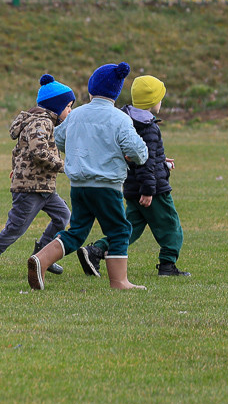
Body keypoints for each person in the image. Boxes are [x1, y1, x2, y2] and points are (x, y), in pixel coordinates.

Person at [28, 62, 149, 291]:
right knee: (120, 230)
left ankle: (41, 260)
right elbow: (137, 151)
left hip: (79, 185)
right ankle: (119, 282)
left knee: (76, 231)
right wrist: (135, 157)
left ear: (91, 89)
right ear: (116, 91)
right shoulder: (120, 119)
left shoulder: (77, 115)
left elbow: (59, 139)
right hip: (106, 186)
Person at [78, 75, 189, 278]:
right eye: (160, 99)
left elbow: (139, 156)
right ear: (153, 102)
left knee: (128, 228)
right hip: (153, 190)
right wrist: (149, 190)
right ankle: (167, 265)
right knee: (171, 227)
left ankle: (96, 250)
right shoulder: (149, 127)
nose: (160, 103)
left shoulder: (125, 120)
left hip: (130, 187)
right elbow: (145, 162)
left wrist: (161, 161)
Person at [0, 74, 75, 280]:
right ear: (56, 106)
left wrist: (15, 167)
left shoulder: (44, 123)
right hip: (30, 187)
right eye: (68, 106)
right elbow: (39, 152)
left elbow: (18, 150)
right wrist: (64, 165)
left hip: (44, 186)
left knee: (63, 216)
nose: (70, 111)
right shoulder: (41, 123)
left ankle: (42, 254)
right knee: (16, 227)